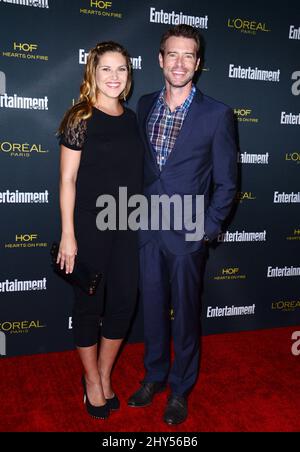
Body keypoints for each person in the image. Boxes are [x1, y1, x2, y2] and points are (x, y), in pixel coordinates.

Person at [128, 25, 237, 425]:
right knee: (153, 310)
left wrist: (206, 229)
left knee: (186, 315)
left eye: (188, 55)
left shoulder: (217, 114)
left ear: (199, 63)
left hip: (188, 233)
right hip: (146, 229)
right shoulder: (142, 104)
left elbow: (227, 182)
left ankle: (179, 388)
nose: (179, 63)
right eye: (172, 54)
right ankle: (154, 375)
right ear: (159, 59)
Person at [57, 42, 144, 420]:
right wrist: (68, 234)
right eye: (105, 68)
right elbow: (67, 180)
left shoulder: (132, 118)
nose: (114, 76)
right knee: (89, 306)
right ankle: (91, 379)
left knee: (124, 303)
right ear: (92, 72)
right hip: (89, 227)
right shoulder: (80, 116)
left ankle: (106, 373)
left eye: (121, 69)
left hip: (127, 225)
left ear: (129, 75)